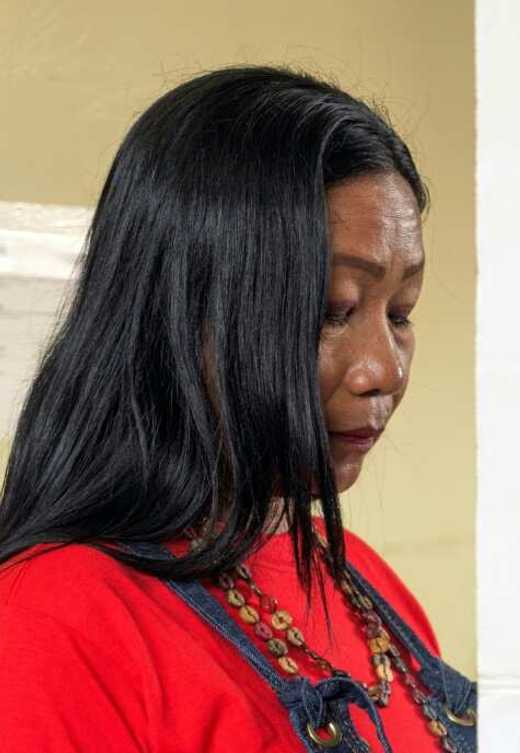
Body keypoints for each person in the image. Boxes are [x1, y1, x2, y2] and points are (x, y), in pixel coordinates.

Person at [0, 65, 476, 752]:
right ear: (185, 310)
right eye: (333, 310)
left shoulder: (370, 586)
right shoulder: (52, 620)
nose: (385, 368)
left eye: (400, 312)